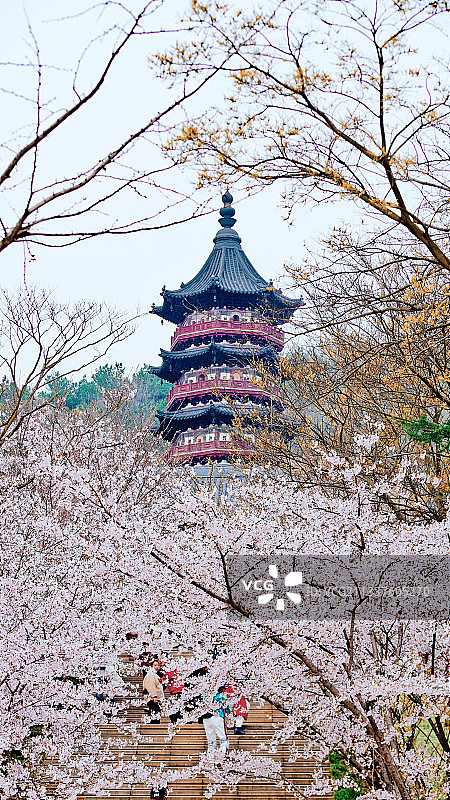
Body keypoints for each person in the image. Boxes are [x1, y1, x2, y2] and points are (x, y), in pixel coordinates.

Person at [199, 686, 230, 755]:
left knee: (211, 742)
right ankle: (222, 755)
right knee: (223, 739)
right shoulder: (221, 696)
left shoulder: (206, 695)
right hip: (217, 717)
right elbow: (227, 708)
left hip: (206, 719)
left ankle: (210, 757)